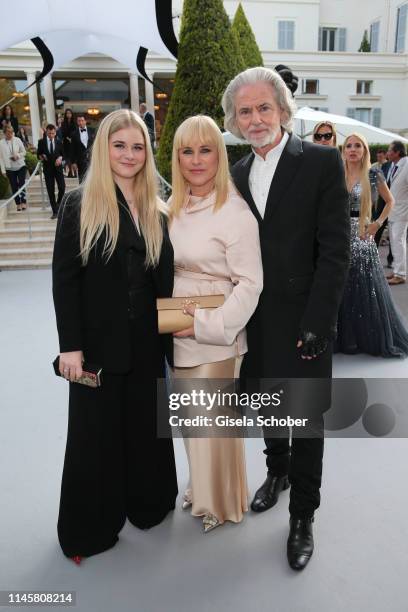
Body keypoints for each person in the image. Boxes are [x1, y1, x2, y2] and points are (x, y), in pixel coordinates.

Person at [223, 66, 350, 570]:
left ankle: (303, 516)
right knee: (269, 405)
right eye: (245, 111)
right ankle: (276, 473)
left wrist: (319, 321)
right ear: (235, 119)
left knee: (309, 420)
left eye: (263, 108)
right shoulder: (233, 173)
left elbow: (335, 250)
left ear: (282, 110)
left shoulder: (320, 162)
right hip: (253, 321)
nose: (255, 119)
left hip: (304, 321)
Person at [52, 109, 178, 563]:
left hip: (147, 341)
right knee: (93, 437)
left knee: (146, 429)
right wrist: (70, 346)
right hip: (96, 346)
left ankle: (149, 504)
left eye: (138, 146)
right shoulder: (80, 203)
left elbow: (164, 281)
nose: (129, 154)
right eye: (119, 145)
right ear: (103, 149)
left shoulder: (156, 206)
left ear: (147, 153)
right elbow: (65, 279)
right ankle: (87, 529)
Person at [168, 115, 263, 532]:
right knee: (193, 421)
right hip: (176, 327)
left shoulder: (235, 210)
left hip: (217, 333)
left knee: (214, 423)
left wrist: (208, 325)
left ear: (219, 154)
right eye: (187, 151)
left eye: (205, 149)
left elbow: (251, 284)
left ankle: (222, 502)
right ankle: (202, 490)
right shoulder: (173, 205)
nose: (196, 160)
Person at [336, 133, 408, 356]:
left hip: (363, 236)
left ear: (365, 150)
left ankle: (368, 339)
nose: (353, 149)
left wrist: (377, 223)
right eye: (349, 145)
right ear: (344, 150)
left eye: (358, 146)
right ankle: (344, 338)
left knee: (366, 289)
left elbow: (390, 201)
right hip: (338, 236)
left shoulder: (373, 173)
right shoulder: (336, 173)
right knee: (341, 287)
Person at [386, 140, 408, 285]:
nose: (387, 153)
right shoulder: (393, 165)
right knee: (394, 242)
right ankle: (396, 270)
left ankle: (401, 274)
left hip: (402, 211)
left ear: (397, 152)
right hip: (393, 211)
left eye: (389, 150)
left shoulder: (407, 165)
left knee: (399, 241)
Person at [37, 124, 65, 219]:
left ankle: (58, 203)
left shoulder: (59, 142)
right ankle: (55, 211)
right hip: (48, 170)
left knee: (62, 187)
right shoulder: (41, 142)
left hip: (58, 169)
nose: (51, 135)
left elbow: (63, 154)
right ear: (46, 132)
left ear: (55, 132)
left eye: (53, 133)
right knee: (50, 190)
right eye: (49, 133)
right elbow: (38, 155)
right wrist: (42, 156)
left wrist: (60, 158)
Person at [0, 125, 27, 210]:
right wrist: (3, 170)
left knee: (22, 184)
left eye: (11, 132)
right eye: (8, 132)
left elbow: (24, 152)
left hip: (20, 165)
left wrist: (18, 155)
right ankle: (18, 203)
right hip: (9, 168)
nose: (10, 134)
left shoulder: (17, 140)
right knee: (14, 186)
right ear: (4, 133)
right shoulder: (1, 143)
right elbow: (0, 158)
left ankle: (23, 202)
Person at [71, 114, 95, 182]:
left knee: (92, 178)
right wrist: (73, 162)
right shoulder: (74, 134)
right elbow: (72, 149)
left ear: (85, 121)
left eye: (82, 120)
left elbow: (96, 144)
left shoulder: (93, 131)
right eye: (79, 121)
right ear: (77, 122)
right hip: (80, 161)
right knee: (82, 180)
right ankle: (83, 192)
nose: (81, 122)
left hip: (92, 159)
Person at [61, 108, 76, 177]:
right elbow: (63, 133)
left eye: (70, 113)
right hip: (66, 142)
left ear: (71, 114)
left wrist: (72, 138)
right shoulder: (63, 123)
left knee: (73, 157)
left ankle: (75, 172)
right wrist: (68, 138)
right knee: (68, 158)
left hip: (73, 142)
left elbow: (75, 132)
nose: (68, 114)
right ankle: (70, 171)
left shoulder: (74, 123)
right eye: (67, 113)